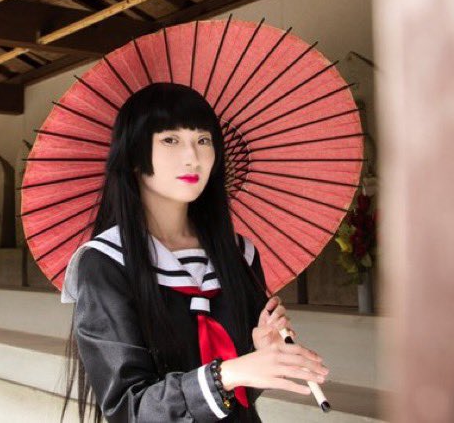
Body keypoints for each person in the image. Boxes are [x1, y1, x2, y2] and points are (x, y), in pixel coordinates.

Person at [60, 83, 329, 422]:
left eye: (203, 140)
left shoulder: (239, 254)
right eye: (170, 140)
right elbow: (129, 408)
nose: (193, 157)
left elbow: (238, 398)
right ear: (133, 156)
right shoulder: (107, 262)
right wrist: (228, 373)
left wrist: (260, 353)